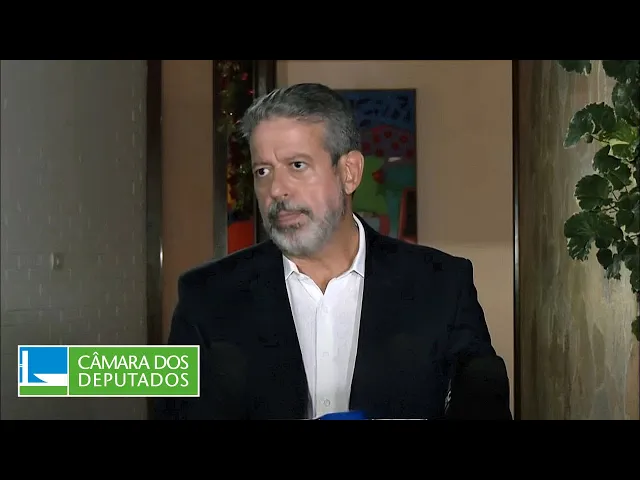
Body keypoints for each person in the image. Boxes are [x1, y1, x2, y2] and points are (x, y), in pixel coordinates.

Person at [154, 83, 510, 420]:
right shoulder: (205, 295)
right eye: (263, 171)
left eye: (297, 166)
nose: (276, 189)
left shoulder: (443, 285)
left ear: (349, 172)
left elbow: (484, 403)